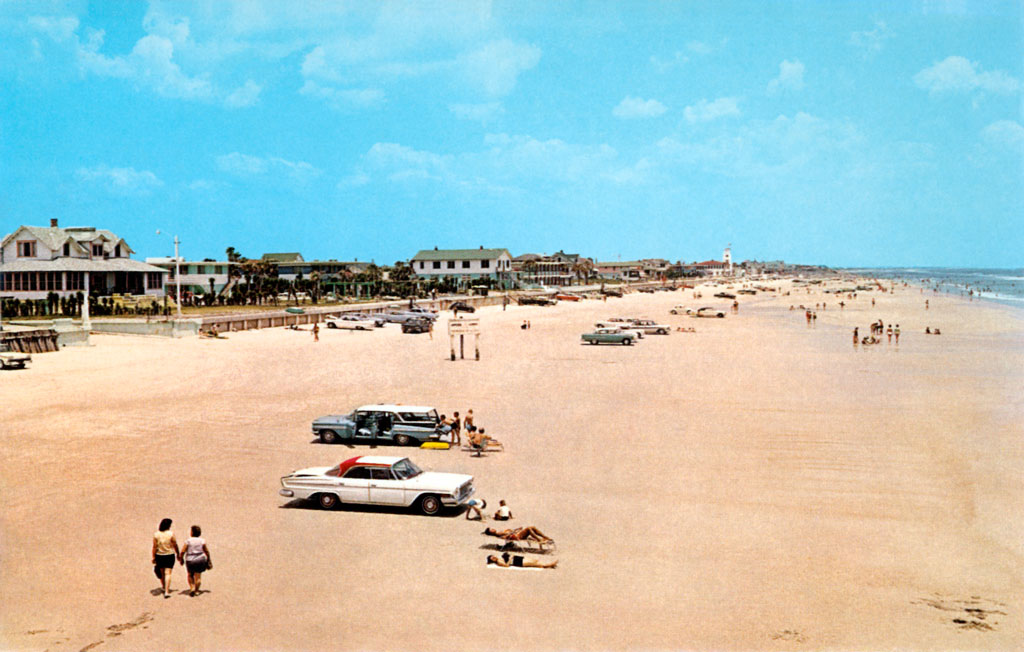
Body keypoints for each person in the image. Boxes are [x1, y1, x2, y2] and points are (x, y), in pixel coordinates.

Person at [179, 525, 211, 596]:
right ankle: (197, 590)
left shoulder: (188, 541)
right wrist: (208, 559)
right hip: (200, 559)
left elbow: (183, 551)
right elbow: (206, 551)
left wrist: (181, 559)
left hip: (190, 560)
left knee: (190, 575)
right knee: (198, 576)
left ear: (192, 533)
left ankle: (192, 587)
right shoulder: (202, 541)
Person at [152, 518, 179, 598]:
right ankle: (167, 591)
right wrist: (178, 553)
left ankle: (164, 587)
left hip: (159, 555)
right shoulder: (171, 534)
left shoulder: (156, 534)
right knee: (168, 573)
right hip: (169, 555)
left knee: (162, 573)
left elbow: (154, 547)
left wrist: (153, 556)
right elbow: (175, 544)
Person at [482, 526, 553, 545]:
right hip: (517, 536)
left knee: (532, 527)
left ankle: (543, 537)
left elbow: (509, 532)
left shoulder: (498, 533)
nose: (493, 529)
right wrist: (516, 531)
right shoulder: (498, 534)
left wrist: (516, 529)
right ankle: (539, 539)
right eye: (491, 530)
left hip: (516, 534)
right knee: (529, 528)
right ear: (491, 533)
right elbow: (508, 536)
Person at [486, 554, 558, 569]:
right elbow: (507, 566)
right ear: (492, 560)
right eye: (492, 558)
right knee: (535, 564)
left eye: (493, 556)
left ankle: (550, 565)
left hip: (518, 558)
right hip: (517, 562)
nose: (494, 557)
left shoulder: (499, 557)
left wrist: (510, 555)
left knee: (535, 560)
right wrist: (510, 558)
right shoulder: (498, 563)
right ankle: (550, 565)